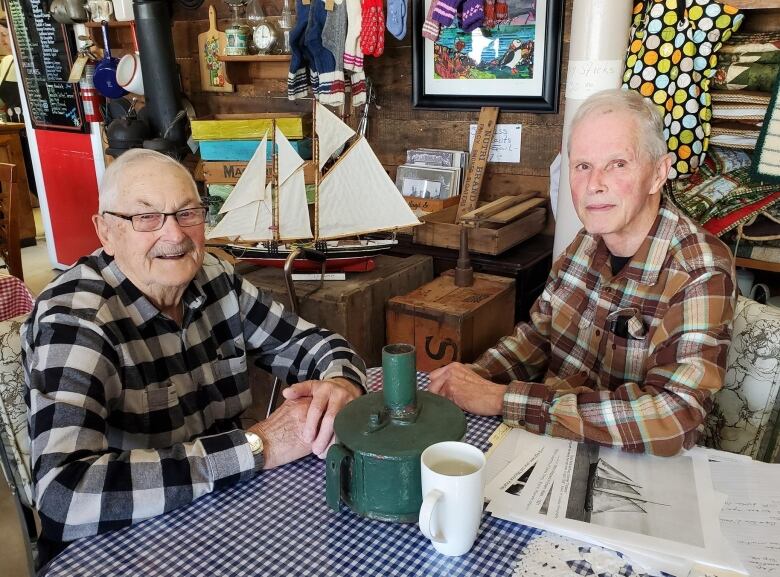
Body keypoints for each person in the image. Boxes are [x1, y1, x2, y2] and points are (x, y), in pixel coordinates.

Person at [22, 149, 366, 554]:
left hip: (228, 511)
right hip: (128, 542)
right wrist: (258, 446)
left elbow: (310, 343)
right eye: (146, 217)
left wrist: (341, 382)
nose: (175, 235)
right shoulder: (75, 320)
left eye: (188, 213)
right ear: (106, 232)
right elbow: (63, 494)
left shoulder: (216, 279)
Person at [429, 88, 736, 457]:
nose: (594, 184)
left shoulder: (700, 270)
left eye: (618, 164)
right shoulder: (587, 242)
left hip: (635, 469)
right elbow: (539, 335)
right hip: (550, 445)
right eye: (583, 166)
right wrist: (472, 379)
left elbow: (675, 416)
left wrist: (503, 398)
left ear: (658, 174)